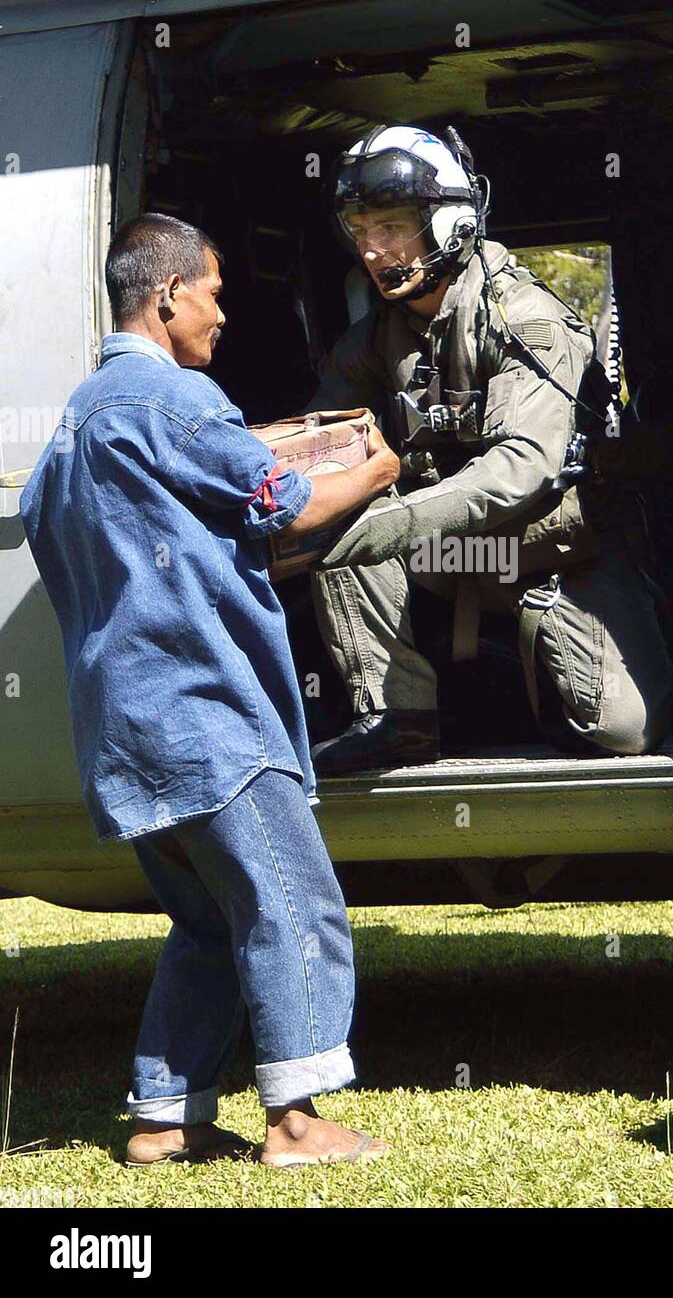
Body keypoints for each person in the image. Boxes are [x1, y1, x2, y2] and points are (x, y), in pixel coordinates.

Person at [18, 213, 397, 1166]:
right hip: (207, 708)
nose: (224, 315)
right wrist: (381, 467)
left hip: (121, 727)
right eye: (217, 294)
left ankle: (162, 1118)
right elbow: (289, 504)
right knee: (290, 901)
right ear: (169, 296)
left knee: (208, 919)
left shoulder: (69, 432)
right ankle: (300, 1120)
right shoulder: (175, 400)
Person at [304, 125, 673, 775]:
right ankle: (396, 716)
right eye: (361, 230)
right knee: (333, 504)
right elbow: (318, 441)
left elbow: (524, 467)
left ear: (447, 221)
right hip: (452, 556)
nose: (372, 249)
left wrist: (388, 524)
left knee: (619, 730)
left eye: (391, 227)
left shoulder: (526, 318)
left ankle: (541, 653)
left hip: (554, 553)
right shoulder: (375, 338)